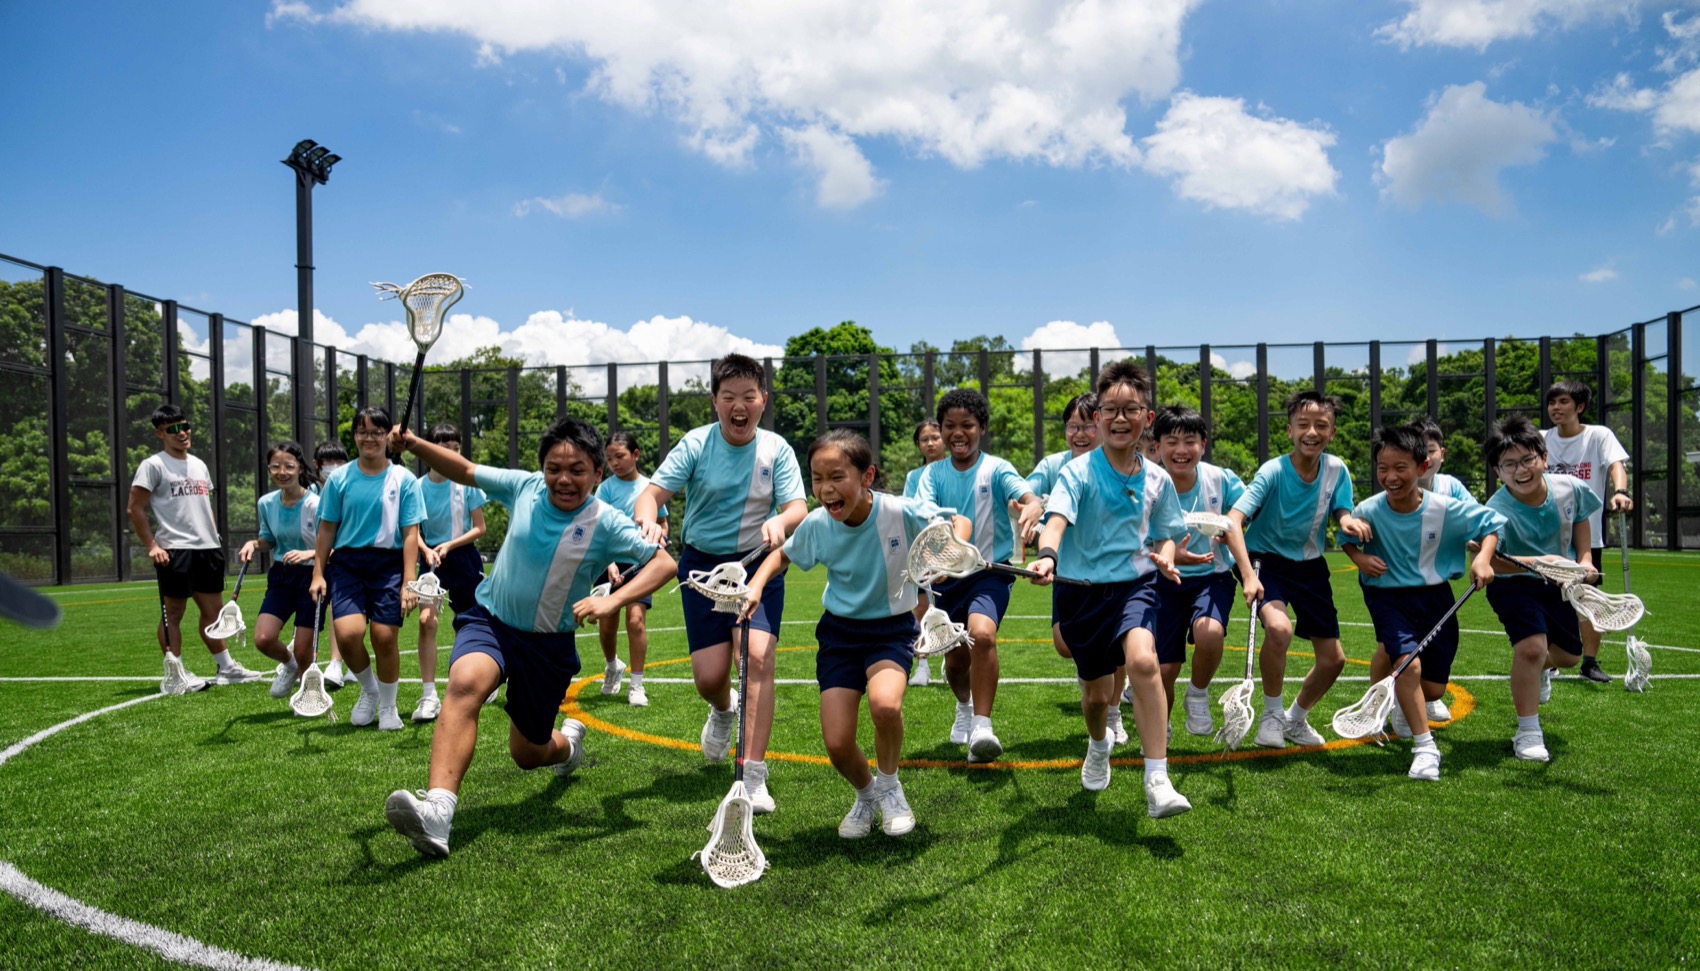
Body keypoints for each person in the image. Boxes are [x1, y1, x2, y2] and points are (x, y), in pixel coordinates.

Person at [383, 418, 675, 859]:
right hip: (491, 622)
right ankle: (438, 813)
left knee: (528, 752)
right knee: (464, 685)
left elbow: (663, 564)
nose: (564, 479)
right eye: (554, 467)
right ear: (541, 470)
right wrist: (415, 443)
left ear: (598, 474)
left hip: (547, 647)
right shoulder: (523, 488)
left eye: (577, 470)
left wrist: (612, 602)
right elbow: (464, 469)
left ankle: (568, 746)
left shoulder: (607, 522)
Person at [744, 430, 966, 838]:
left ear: (867, 477)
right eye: (817, 479)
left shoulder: (900, 511)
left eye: (837, 476)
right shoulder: (817, 524)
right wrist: (755, 587)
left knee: (885, 706)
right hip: (840, 636)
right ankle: (866, 797)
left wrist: (952, 553)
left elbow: (957, 523)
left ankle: (890, 786)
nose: (826, 489)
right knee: (838, 743)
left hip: (890, 630)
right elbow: (781, 556)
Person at [633, 353, 807, 814]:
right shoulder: (695, 444)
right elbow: (650, 496)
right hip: (703, 569)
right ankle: (722, 708)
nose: (739, 405)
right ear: (714, 401)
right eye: (728, 396)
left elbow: (797, 508)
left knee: (755, 658)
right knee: (710, 678)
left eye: (749, 397)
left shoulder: (777, 449)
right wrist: (649, 523)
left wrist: (780, 521)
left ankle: (753, 775)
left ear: (762, 401)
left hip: (757, 566)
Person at [1027, 361, 1192, 816]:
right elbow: (1056, 521)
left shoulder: (1157, 479)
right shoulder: (1077, 473)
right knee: (1097, 698)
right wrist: (1048, 555)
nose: (1120, 419)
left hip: (1135, 588)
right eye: (1110, 410)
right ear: (1097, 416)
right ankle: (1098, 744)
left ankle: (1157, 777)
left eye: (1131, 410)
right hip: (1081, 593)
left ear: (1148, 418)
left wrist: (1167, 556)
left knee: (1143, 662)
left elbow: (1167, 533)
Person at [1340, 424, 1504, 780]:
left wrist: (1482, 558)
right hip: (1385, 596)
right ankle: (1425, 748)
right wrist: (1359, 558)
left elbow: (1491, 525)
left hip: (1436, 599)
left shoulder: (1447, 508)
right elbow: (1345, 537)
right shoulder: (1367, 508)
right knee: (1407, 666)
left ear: (1423, 467)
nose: (1390, 476)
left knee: (1433, 688)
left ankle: (1403, 704)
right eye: (1383, 468)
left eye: (1400, 467)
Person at [1227, 392, 1372, 748]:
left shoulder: (1337, 469)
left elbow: (1341, 510)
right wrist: (1247, 574)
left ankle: (1294, 719)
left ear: (1332, 432)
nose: (1312, 432)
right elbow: (1233, 520)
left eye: (1321, 425)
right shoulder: (1273, 471)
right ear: (1289, 430)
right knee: (1279, 630)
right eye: (1303, 425)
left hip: (1310, 567)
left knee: (1333, 660)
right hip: (1266, 562)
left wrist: (1348, 521)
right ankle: (1271, 717)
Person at [913, 388, 1044, 762]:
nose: (958, 433)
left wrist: (1032, 507)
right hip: (945, 578)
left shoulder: (997, 468)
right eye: (949, 426)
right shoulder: (931, 475)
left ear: (981, 428)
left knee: (982, 635)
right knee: (955, 662)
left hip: (989, 572)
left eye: (967, 425)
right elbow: (927, 518)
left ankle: (983, 726)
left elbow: (1028, 496)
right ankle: (964, 707)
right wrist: (937, 562)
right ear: (940, 430)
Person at [1482, 415, 1600, 762]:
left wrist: (1585, 558)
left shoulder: (1569, 488)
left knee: (1570, 655)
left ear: (1544, 458)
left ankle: (1540, 670)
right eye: (1509, 464)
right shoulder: (1496, 510)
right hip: (1512, 584)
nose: (1521, 469)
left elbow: (1580, 518)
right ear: (1497, 471)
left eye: (1528, 459)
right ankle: (1528, 732)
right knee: (1532, 648)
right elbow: (1493, 561)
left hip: (1558, 583)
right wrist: (1540, 562)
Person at [1022, 393, 1138, 742]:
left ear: (1101, 426)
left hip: (1115, 574)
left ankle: (1114, 713)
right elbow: (1027, 492)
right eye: (1073, 426)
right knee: (1064, 644)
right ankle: (1098, 683)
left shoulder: (1122, 467)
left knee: (1115, 644)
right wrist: (1029, 505)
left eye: (1088, 425)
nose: (1081, 433)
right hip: (1067, 570)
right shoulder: (1055, 466)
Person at [127, 403, 262, 692]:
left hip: (207, 549)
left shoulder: (199, 464)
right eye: (173, 429)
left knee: (213, 614)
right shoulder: (153, 465)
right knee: (172, 614)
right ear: (160, 433)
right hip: (175, 550)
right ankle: (174, 674)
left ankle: (226, 667)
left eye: (185, 426)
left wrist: (213, 535)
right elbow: (134, 509)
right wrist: (152, 546)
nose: (182, 433)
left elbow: (204, 506)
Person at [309, 407, 425, 731]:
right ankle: (370, 691)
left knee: (384, 636)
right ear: (355, 436)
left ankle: (389, 707)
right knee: (347, 636)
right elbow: (327, 529)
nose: (369, 438)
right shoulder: (340, 479)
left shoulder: (405, 480)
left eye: (377, 431)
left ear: (389, 436)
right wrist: (318, 572)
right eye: (363, 431)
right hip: (346, 564)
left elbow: (410, 534)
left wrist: (409, 582)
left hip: (388, 565)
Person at [1151, 406, 1263, 737]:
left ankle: (1198, 693)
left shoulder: (1220, 479)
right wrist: (1169, 557)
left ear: (1203, 443)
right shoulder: (1146, 483)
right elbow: (1135, 540)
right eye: (1171, 442)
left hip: (1211, 578)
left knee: (1210, 633)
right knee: (1165, 667)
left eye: (1190, 441)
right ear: (1157, 447)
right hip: (1161, 580)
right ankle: (1161, 725)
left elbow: (1234, 526)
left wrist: (1248, 574)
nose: (1181, 451)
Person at [1543, 380, 1632, 683]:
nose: (1556, 407)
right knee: (1549, 599)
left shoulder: (1598, 435)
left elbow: (1615, 464)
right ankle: (1552, 656)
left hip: (1586, 537)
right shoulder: (1541, 439)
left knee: (1589, 600)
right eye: (1552, 402)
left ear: (1579, 407)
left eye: (1563, 402)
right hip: (1546, 538)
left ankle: (1590, 662)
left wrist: (1620, 491)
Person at [412, 423, 488, 723]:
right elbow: (412, 529)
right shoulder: (416, 487)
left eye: (455, 449)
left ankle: (476, 680)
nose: (450, 454)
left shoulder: (468, 485)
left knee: (468, 623)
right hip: (430, 560)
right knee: (426, 621)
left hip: (463, 559)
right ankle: (429, 695)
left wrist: (450, 544)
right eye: (444, 448)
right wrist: (426, 549)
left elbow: (480, 528)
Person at [239, 442, 325, 699]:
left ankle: (308, 695)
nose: (282, 472)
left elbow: (334, 546)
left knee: (303, 650)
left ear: (299, 468)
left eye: (289, 466)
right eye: (276, 467)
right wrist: (253, 544)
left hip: (314, 576)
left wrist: (310, 553)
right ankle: (289, 667)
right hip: (282, 575)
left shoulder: (315, 504)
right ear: (268, 469)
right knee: (263, 639)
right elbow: (269, 539)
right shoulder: (266, 503)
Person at [593, 431, 667, 707]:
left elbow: (662, 523)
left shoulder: (651, 487)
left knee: (635, 620)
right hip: (609, 561)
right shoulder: (606, 489)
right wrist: (609, 563)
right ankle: (612, 667)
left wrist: (660, 535)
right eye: (610, 458)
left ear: (635, 455)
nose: (614, 463)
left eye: (620, 457)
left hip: (641, 562)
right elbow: (599, 529)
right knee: (607, 625)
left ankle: (637, 685)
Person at [904, 419, 946, 688]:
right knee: (920, 608)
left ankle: (952, 657)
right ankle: (922, 665)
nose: (930, 443)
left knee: (954, 609)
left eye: (935, 437)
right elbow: (908, 512)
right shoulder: (913, 477)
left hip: (953, 551)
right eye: (924, 439)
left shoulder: (954, 472)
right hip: (923, 552)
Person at [313, 440, 351, 689]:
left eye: (340, 462)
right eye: (329, 462)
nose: (334, 467)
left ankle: (337, 663)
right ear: (317, 465)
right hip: (312, 563)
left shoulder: (348, 490)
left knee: (339, 611)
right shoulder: (309, 494)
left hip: (340, 561)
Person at [1409, 417, 1475, 505]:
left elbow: (1476, 514)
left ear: (1442, 454)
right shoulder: (1397, 492)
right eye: (1417, 451)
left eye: (1431, 451)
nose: (1425, 458)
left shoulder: (1450, 487)